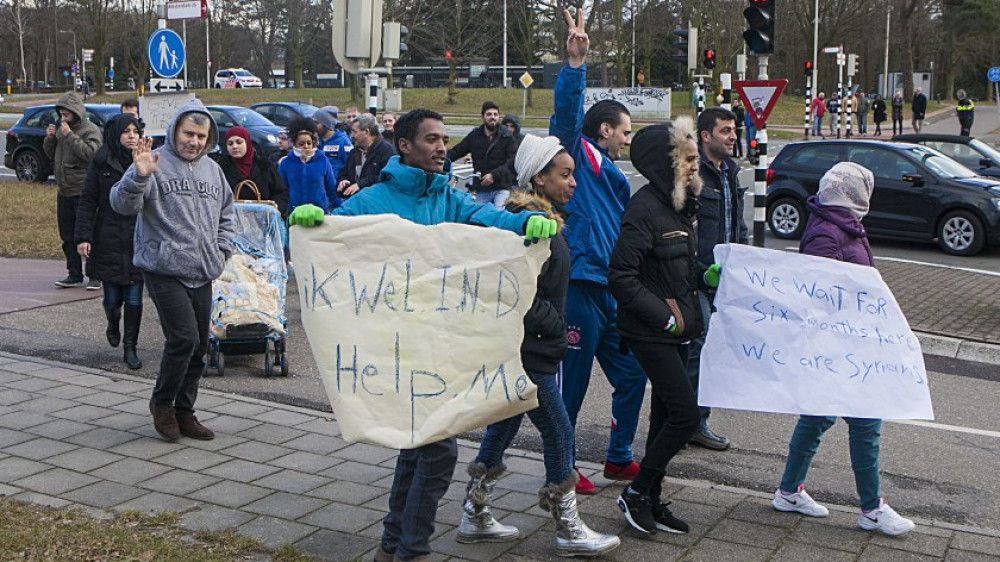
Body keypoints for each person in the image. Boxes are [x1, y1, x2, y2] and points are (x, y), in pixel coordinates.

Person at [286, 108, 560, 562]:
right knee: (437, 451)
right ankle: (411, 552)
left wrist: (521, 225)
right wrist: (306, 220)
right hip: (394, 350)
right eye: (430, 139)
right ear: (406, 146)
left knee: (417, 450)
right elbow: (327, 232)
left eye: (443, 139)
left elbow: (483, 220)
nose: (440, 147)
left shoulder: (449, 198)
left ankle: (392, 547)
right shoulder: (374, 201)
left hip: (438, 347)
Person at [457, 134, 620, 557]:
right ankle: (568, 525)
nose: (573, 183)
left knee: (505, 424)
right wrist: (555, 325)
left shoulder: (544, 218)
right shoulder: (526, 224)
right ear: (539, 179)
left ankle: (473, 514)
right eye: (565, 175)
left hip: (530, 347)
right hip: (531, 351)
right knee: (561, 431)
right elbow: (517, 293)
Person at [771, 162, 916, 537]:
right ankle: (871, 508)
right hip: (838, 347)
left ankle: (788, 490)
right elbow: (816, 292)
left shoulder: (843, 224)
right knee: (866, 424)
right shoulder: (828, 231)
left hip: (846, 342)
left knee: (817, 417)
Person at [551, 7, 645, 496]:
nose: (628, 139)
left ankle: (618, 457)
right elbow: (566, 117)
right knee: (573, 385)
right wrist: (575, 66)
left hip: (612, 291)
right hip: (579, 288)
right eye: (625, 131)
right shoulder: (577, 157)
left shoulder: (615, 175)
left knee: (632, 376)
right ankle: (562, 468)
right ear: (604, 129)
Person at [110, 99, 236, 443]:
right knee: (183, 338)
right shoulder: (154, 162)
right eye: (188, 133)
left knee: (200, 347)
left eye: (200, 135)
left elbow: (228, 213)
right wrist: (138, 176)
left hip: (203, 268)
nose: (193, 141)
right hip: (163, 267)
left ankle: (185, 411)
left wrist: (222, 249)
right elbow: (121, 204)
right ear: (175, 130)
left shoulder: (213, 170)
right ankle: (162, 404)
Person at [609, 117, 707, 536]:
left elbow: (678, 269)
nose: (693, 166)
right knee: (685, 416)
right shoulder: (644, 208)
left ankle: (649, 498)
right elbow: (621, 274)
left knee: (664, 415)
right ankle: (636, 490)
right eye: (687, 159)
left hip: (679, 328)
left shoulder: (679, 205)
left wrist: (707, 276)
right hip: (651, 330)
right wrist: (664, 316)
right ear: (665, 164)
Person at [685, 107, 747, 451]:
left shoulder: (730, 173)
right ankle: (692, 422)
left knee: (708, 351)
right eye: (725, 130)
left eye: (734, 130)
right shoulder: (696, 173)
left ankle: (688, 420)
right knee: (699, 349)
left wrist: (746, 260)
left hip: (725, 280)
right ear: (706, 136)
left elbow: (735, 224)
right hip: (697, 280)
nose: (733, 136)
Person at [75, 114, 145, 370]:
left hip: (138, 236)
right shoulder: (101, 162)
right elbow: (87, 201)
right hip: (107, 236)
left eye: (134, 131)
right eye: (126, 131)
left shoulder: (145, 160)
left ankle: (131, 348)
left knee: (135, 297)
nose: (131, 135)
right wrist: (83, 237)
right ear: (116, 134)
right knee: (113, 297)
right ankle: (113, 321)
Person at [45, 91, 103, 290]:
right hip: (64, 190)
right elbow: (52, 155)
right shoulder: (62, 131)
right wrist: (51, 139)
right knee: (68, 236)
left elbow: (91, 154)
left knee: (88, 234)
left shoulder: (90, 130)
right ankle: (74, 273)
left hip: (83, 191)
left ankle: (95, 274)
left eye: (66, 114)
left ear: (75, 113)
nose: (62, 118)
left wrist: (70, 136)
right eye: (60, 114)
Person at [446, 101, 519, 209]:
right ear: (483, 117)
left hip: (501, 187)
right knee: (479, 218)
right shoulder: (475, 136)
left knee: (498, 214)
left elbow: (512, 162)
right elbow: (457, 151)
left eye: (495, 114)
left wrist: (494, 175)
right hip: (482, 188)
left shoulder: (507, 137)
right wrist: (441, 161)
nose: (492, 117)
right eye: (489, 114)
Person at [218, 126, 289, 217]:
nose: (234, 146)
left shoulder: (264, 165)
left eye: (239, 142)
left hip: (263, 222)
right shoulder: (222, 167)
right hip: (231, 222)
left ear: (247, 142)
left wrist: (273, 209)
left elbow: (281, 193)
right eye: (230, 144)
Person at [278, 117, 342, 215]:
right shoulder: (286, 164)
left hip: (319, 214)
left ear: (313, 143)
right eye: (301, 143)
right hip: (294, 215)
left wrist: (341, 208)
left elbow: (332, 189)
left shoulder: (322, 160)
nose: (306, 146)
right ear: (294, 144)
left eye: (309, 143)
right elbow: (281, 191)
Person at [336, 113, 396, 198]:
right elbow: (343, 172)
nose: (352, 136)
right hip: (355, 204)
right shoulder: (354, 152)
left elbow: (387, 179)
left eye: (355, 132)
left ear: (367, 132)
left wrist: (361, 184)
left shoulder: (387, 151)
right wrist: (343, 180)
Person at [313, 106, 352, 180]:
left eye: (316, 123)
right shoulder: (316, 142)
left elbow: (350, 166)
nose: (313, 126)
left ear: (326, 124)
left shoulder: (343, 141)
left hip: (336, 186)